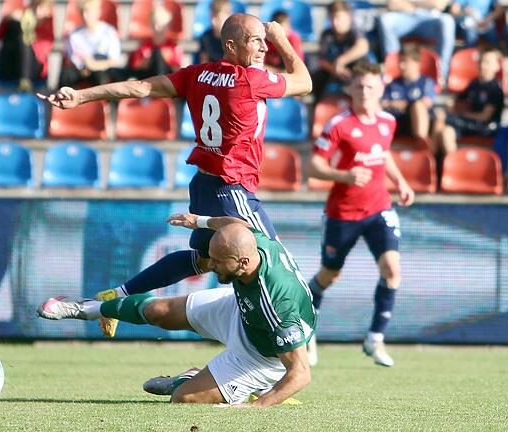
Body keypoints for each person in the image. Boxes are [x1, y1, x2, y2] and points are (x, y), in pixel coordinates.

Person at [38, 14, 312, 338]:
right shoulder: (251, 79)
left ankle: (117, 296)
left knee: (206, 260)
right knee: (272, 262)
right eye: (256, 40)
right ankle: (282, 354)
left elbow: (140, 87)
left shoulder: (198, 75)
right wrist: (281, 38)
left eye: (264, 40)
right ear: (231, 45)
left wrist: (82, 96)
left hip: (205, 184)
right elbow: (305, 81)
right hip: (232, 187)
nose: (263, 47)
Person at [37, 214, 316, 406]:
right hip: (241, 310)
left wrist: (257, 409)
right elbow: (237, 223)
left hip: (261, 356)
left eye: (219, 262)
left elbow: (300, 372)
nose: (211, 265)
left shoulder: (280, 305)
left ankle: (193, 380)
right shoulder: (252, 241)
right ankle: (88, 308)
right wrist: (200, 222)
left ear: (243, 262)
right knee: (158, 310)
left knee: (183, 399)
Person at [304, 61, 415, 367]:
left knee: (392, 270)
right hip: (344, 212)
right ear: (350, 89)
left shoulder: (388, 122)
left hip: (379, 207)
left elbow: (383, 153)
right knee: (329, 276)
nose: (365, 92)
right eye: (359, 86)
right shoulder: (339, 124)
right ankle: (305, 330)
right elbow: (313, 166)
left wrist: (401, 181)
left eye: (370, 86)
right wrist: (345, 176)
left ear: (380, 88)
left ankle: (375, 339)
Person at [432, 48, 505, 154]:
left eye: (487, 62)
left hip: (486, 127)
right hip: (470, 123)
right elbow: (459, 98)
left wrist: (460, 115)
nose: (482, 65)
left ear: (497, 66)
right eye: (481, 61)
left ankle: (429, 153)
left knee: (441, 117)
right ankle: (452, 164)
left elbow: (484, 116)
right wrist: (451, 105)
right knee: (446, 132)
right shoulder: (475, 83)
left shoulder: (495, 89)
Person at [379, 0, 455, 86]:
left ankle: (441, 74)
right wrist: (423, 4)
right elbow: (393, 2)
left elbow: (439, 4)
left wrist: (411, 4)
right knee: (385, 20)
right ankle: (393, 69)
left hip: (430, 19)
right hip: (405, 16)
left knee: (447, 21)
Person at [312, 0, 371, 100]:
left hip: (353, 71)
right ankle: (319, 105)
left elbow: (363, 47)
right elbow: (322, 60)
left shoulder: (354, 31)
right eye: (332, 18)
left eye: (338, 18)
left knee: (363, 65)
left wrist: (341, 61)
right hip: (334, 71)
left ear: (348, 17)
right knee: (318, 76)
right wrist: (334, 68)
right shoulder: (327, 34)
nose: (335, 22)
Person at [381, 46, 436, 150]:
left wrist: (402, 104)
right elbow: (382, 103)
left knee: (418, 106)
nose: (401, 66)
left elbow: (427, 103)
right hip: (398, 122)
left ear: (416, 63)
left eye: (405, 62)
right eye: (400, 62)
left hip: (418, 122)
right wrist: (393, 104)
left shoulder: (426, 82)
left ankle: (421, 141)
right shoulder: (393, 84)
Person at [58, 0, 122, 88]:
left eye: (88, 11)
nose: (85, 16)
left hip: (100, 71)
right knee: (66, 74)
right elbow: (73, 60)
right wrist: (86, 67)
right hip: (82, 71)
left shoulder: (109, 33)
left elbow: (114, 61)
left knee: (102, 75)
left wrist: (94, 65)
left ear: (97, 12)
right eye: (82, 12)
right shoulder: (75, 35)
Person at [0, 0, 55, 90]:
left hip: (35, 67)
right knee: (14, 25)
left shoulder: (47, 24)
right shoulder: (24, 19)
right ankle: (21, 80)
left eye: (41, 8)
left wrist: (32, 29)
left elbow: (41, 53)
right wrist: (7, 20)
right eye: (35, 7)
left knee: (22, 39)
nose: (37, 11)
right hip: (13, 63)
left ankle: (25, 80)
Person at [127, 5, 184, 79]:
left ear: (167, 26)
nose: (157, 28)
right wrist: (144, 63)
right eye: (154, 24)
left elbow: (177, 70)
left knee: (157, 54)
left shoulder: (174, 48)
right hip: (147, 79)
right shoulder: (144, 46)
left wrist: (166, 60)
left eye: (160, 24)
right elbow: (135, 68)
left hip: (166, 81)